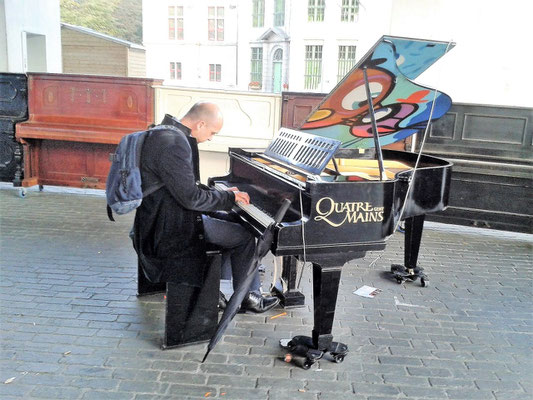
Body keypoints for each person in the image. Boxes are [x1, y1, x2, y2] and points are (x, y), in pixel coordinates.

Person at [132, 102, 279, 313]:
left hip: (158, 217)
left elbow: (181, 187)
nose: (210, 138)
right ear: (200, 124)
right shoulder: (175, 143)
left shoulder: (162, 132)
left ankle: (214, 289)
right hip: (171, 227)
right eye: (212, 132)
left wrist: (223, 197)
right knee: (244, 236)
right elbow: (191, 198)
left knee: (230, 219)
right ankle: (248, 296)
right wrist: (228, 198)